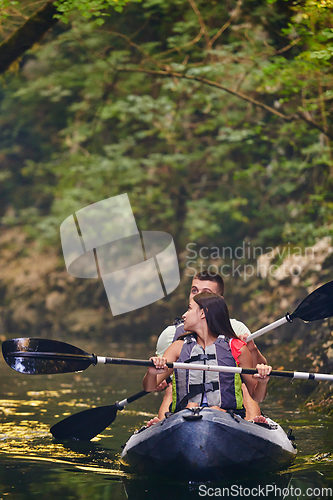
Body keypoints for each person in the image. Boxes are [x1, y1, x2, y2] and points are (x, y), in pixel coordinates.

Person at [147, 271, 268, 424]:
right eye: (194, 291)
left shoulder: (237, 332)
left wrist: (252, 350)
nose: (196, 296)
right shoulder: (172, 337)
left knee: (243, 387)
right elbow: (156, 383)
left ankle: (251, 423)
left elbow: (255, 375)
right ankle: (163, 424)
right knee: (171, 390)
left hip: (227, 399)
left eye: (205, 293)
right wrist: (156, 376)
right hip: (186, 399)